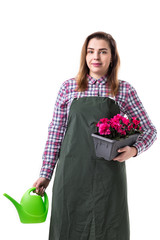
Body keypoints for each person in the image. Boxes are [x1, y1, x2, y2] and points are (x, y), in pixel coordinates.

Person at [33, 31, 157, 240]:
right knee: (68, 228)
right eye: (91, 51)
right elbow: (55, 134)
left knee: (108, 229)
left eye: (102, 52)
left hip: (108, 176)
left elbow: (150, 130)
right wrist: (46, 174)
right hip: (71, 174)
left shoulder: (124, 90)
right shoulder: (69, 87)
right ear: (85, 56)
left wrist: (134, 150)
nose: (96, 57)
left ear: (112, 57)